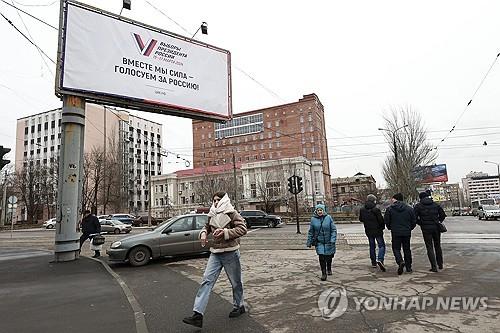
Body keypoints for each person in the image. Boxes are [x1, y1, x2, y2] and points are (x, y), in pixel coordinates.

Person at [183, 192, 247, 329]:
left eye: (218, 200)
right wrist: (204, 233)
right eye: (214, 200)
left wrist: (225, 232)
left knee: (236, 282)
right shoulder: (211, 213)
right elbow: (206, 226)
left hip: (230, 252)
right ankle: (197, 315)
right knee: (206, 280)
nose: (216, 202)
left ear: (224, 200)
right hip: (215, 253)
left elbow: (242, 228)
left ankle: (239, 305)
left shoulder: (231, 212)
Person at [384, 193, 416, 275]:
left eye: (393, 199)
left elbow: (387, 220)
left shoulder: (390, 209)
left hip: (395, 232)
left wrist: (390, 228)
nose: (392, 200)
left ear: (395, 199)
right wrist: (409, 228)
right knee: (407, 249)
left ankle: (400, 261)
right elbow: (413, 221)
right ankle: (408, 267)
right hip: (406, 232)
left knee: (396, 248)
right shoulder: (409, 209)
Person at [414, 191, 446, 272]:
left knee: (429, 247)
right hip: (436, 227)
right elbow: (442, 215)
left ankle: (434, 267)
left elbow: (414, 218)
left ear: (420, 198)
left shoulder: (418, 206)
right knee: (437, 246)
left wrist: (421, 223)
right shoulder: (435, 204)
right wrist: (438, 221)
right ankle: (440, 264)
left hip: (426, 229)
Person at [306, 204, 337, 281]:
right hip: (319, 242)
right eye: (318, 210)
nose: (320, 212)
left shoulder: (328, 218)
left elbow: (333, 230)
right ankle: (323, 273)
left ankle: (329, 268)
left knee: (329, 257)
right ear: (316, 211)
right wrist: (309, 242)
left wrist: (333, 239)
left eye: (321, 210)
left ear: (323, 211)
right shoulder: (313, 219)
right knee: (321, 257)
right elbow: (311, 232)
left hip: (329, 241)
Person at [359, 194, 386, 272]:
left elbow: (361, 219)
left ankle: (373, 262)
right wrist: (382, 227)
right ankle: (380, 259)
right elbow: (381, 220)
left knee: (372, 246)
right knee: (381, 245)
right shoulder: (376, 209)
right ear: (373, 200)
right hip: (377, 230)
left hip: (368, 230)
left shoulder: (362, 209)